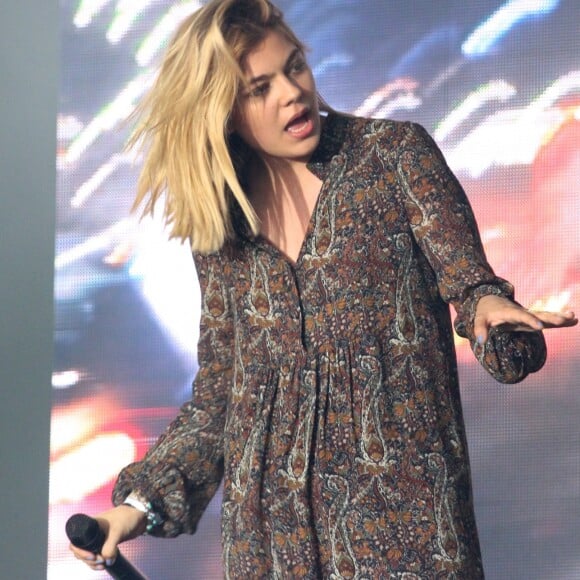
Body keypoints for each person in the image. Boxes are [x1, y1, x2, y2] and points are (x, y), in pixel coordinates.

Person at [69, 0, 577, 577]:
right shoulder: (222, 231)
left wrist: (494, 311)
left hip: (406, 547)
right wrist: (132, 512)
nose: (292, 92)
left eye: (294, 67)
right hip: (269, 551)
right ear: (225, 112)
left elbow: (472, 285)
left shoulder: (393, 157)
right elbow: (218, 404)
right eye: (260, 88)